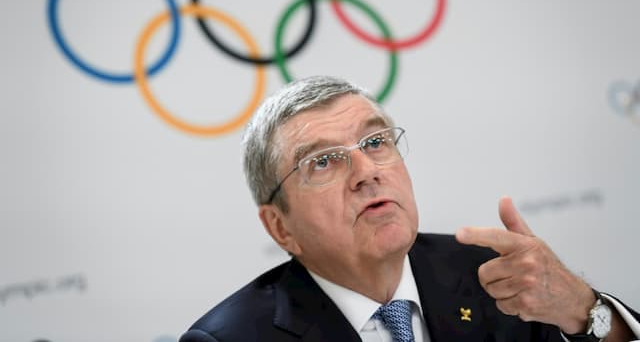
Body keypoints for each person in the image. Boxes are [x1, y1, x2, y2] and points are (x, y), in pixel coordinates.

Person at [180, 75, 639, 342]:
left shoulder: (499, 281)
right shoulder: (230, 340)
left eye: (376, 142)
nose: (366, 171)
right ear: (280, 227)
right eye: (323, 161)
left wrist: (582, 309)